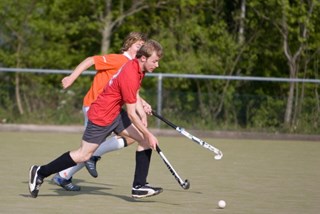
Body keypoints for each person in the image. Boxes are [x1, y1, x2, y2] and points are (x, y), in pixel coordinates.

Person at [28, 39, 164, 199]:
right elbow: (132, 114)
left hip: (115, 113)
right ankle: (40, 172)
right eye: (154, 61)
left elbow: (134, 94)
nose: (157, 65)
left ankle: (139, 186)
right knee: (83, 155)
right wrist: (148, 132)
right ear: (143, 58)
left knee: (144, 141)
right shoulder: (130, 73)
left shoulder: (138, 68)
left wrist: (143, 110)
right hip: (102, 115)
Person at [52, 32, 150, 191]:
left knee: (131, 138)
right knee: (86, 152)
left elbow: (132, 92)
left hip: (110, 110)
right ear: (128, 45)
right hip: (95, 106)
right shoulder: (120, 59)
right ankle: (58, 173)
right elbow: (90, 60)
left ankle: (66, 174)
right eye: (138, 46)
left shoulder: (133, 67)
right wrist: (71, 77)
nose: (141, 50)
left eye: (142, 47)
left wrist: (143, 104)